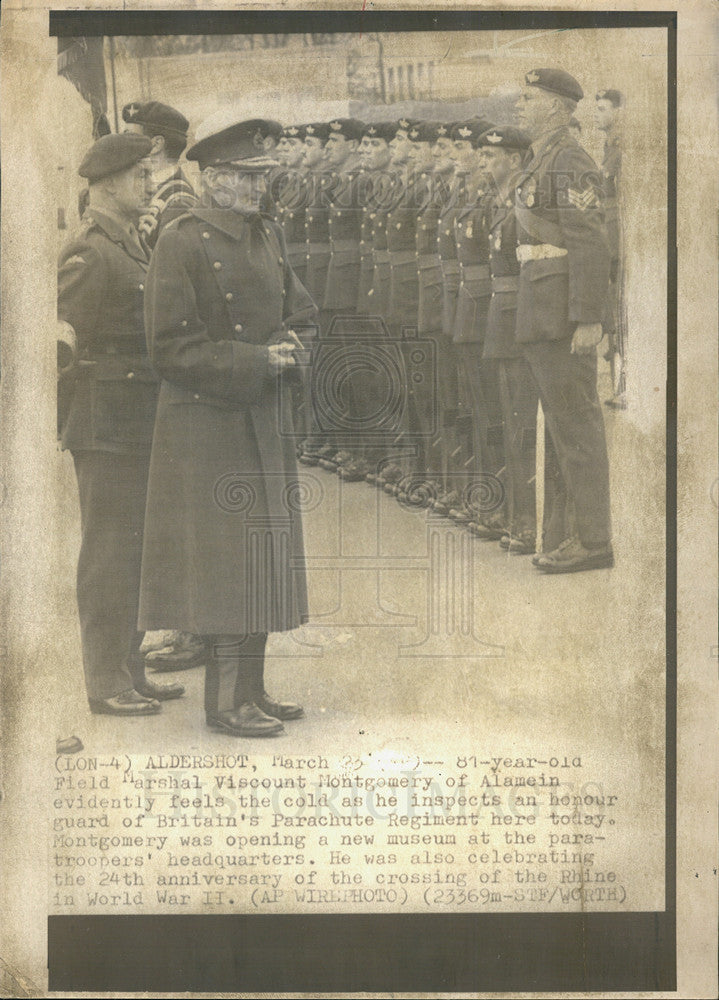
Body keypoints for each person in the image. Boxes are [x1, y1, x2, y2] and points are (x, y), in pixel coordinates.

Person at [138, 117, 317, 737]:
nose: (258, 189)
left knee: (262, 553)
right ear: (212, 180)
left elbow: (303, 310)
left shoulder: (268, 235)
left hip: (262, 417)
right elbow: (168, 348)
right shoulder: (181, 241)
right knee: (224, 563)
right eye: (246, 178)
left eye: (263, 177)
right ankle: (222, 703)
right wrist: (253, 360)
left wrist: (294, 342)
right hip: (206, 425)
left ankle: (254, 688)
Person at [57, 133, 185, 715]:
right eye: (139, 174)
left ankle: (129, 671)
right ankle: (103, 680)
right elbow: (62, 343)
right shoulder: (91, 247)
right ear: (107, 183)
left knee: (135, 551)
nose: (149, 181)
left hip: (135, 420)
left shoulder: (129, 240)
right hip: (107, 424)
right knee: (109, 554)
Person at [513, 68, 613, 573]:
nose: (518, 107)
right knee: (562, 430)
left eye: (527, 99)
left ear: (556, 107)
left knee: (578, 431)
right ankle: (567, 533)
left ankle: (593, 541)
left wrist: (589, 320)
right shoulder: (543, 159)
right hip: (542, 310)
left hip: (561, 316)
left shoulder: (570, 159)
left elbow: (590, 242)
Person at [476, 124, 538, 555]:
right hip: (501, 313)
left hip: (521, 316)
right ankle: (513, 512)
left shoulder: (523, 200)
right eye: (482, 156)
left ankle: (527, 519)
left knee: (521, 421)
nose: (484, 163)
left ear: (515, 160)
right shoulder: (495, 202)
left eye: (491, 156)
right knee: (505, 416)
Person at [121, 100, 197, 251]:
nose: (123, 145)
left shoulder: (180, 202)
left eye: (130, 138)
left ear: (156, 145)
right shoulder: (145, 189)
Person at [594, 88, 626, 409]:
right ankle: (619, 385)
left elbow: (610, 187)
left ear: (618, 111)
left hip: (615, 235)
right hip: (609, 232)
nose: (598, 115)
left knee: (617, 311)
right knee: (612, 310)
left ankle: (623, 386)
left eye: (604, 109)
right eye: (598, 109)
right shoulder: (610, 144)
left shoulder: (619, 144)